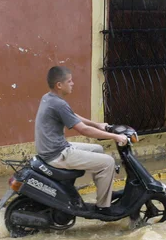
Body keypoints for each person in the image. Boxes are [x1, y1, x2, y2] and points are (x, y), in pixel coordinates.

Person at [34, 66, 128, 215]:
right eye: (69, 81)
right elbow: (83, 130)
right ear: (59, 85)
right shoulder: (58, 103)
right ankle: (103, 207)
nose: (73, 84)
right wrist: (115, 136)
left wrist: (97, 124)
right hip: (57, 154)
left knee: (98, 149)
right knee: (108, 162)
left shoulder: (49, 98)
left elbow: (72, 115)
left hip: (53, 149)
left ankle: (104, 193)